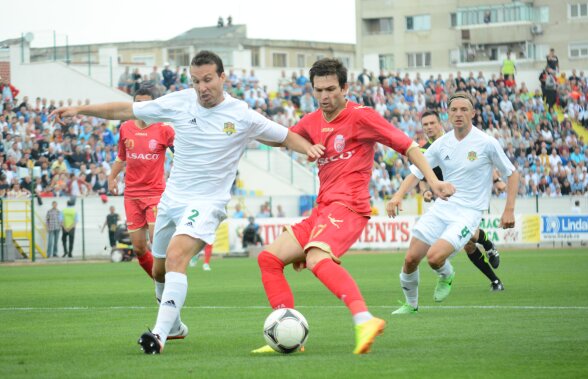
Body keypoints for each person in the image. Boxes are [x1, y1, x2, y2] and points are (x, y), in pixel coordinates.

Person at [50, 50, 323, 355]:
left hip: (207, 202)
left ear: (223, 77)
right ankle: (176, 325)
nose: (202, 87)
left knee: (178, 255)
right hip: (172, 199)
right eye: (196, 81)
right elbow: (125, 110)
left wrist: (311, 151)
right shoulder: (179, 101)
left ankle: (159, 335)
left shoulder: (242, 114)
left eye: (208, 80)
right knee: (159, 271)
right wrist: (80, 109)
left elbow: (285, 136)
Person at [251, 58, 455, 355]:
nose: (324, 96)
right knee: (269, 259)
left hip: (348, 206)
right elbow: (283, 139)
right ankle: (287, 329)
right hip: (323, 208)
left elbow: (408, 146)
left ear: (344, 88)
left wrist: (434, 181)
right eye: (318, 90)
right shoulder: (312, 121)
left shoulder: (362, 117)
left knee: (316, 258)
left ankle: (364, 320)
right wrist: (250, 127)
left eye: (331, 89)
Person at [387, 92, 519, 315]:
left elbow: (512, 174)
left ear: (473, 113)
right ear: (448, 114)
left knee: (435, 257)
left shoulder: (487, 143)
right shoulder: (440, 144)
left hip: (469, 212)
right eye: (454, 110)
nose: (459, 114)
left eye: (464, 109)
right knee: (410, 259)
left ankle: (446, 274)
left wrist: (509, 210)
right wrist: (397, 195)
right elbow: (417, 172)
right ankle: (411, 305)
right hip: (443, 206)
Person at [417, 110, 505, 292]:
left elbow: (479, 160)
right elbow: (422, 176)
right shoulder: (423, 150)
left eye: (432, 123)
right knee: (468, 245)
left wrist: (497, 180)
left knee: (470, 236)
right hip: (446, 201)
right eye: (425, 125)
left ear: (440, 123)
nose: (429, 127)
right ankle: (495, 281)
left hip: (468, 198)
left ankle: (488, 245)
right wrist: (425, 191)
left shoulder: (456, 140)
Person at [108, 85, 175, 280]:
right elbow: (121, 157)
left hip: (155, 194)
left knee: (158, 242)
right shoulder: (125, 127)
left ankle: (171, 280)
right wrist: (112, 177)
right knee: (138, 248)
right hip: (132, 195)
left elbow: (182, 155)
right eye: (138, 103)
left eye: (146, 103)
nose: (142, 107)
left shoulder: (164, 130)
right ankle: (159, 280)